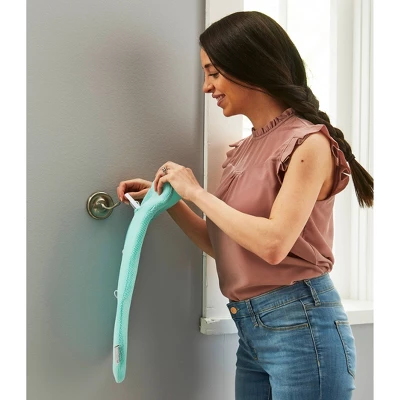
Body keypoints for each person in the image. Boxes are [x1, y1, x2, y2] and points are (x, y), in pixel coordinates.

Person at [117, 11, 373, 400]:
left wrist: (196, 192)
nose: (206, 86)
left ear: (249, 66)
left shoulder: (310, 144)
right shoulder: (247, 148)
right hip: (251, 330)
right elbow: (223, 245)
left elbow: (273, 244)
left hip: (302, 325)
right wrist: (168, 199)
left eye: (214, 73)